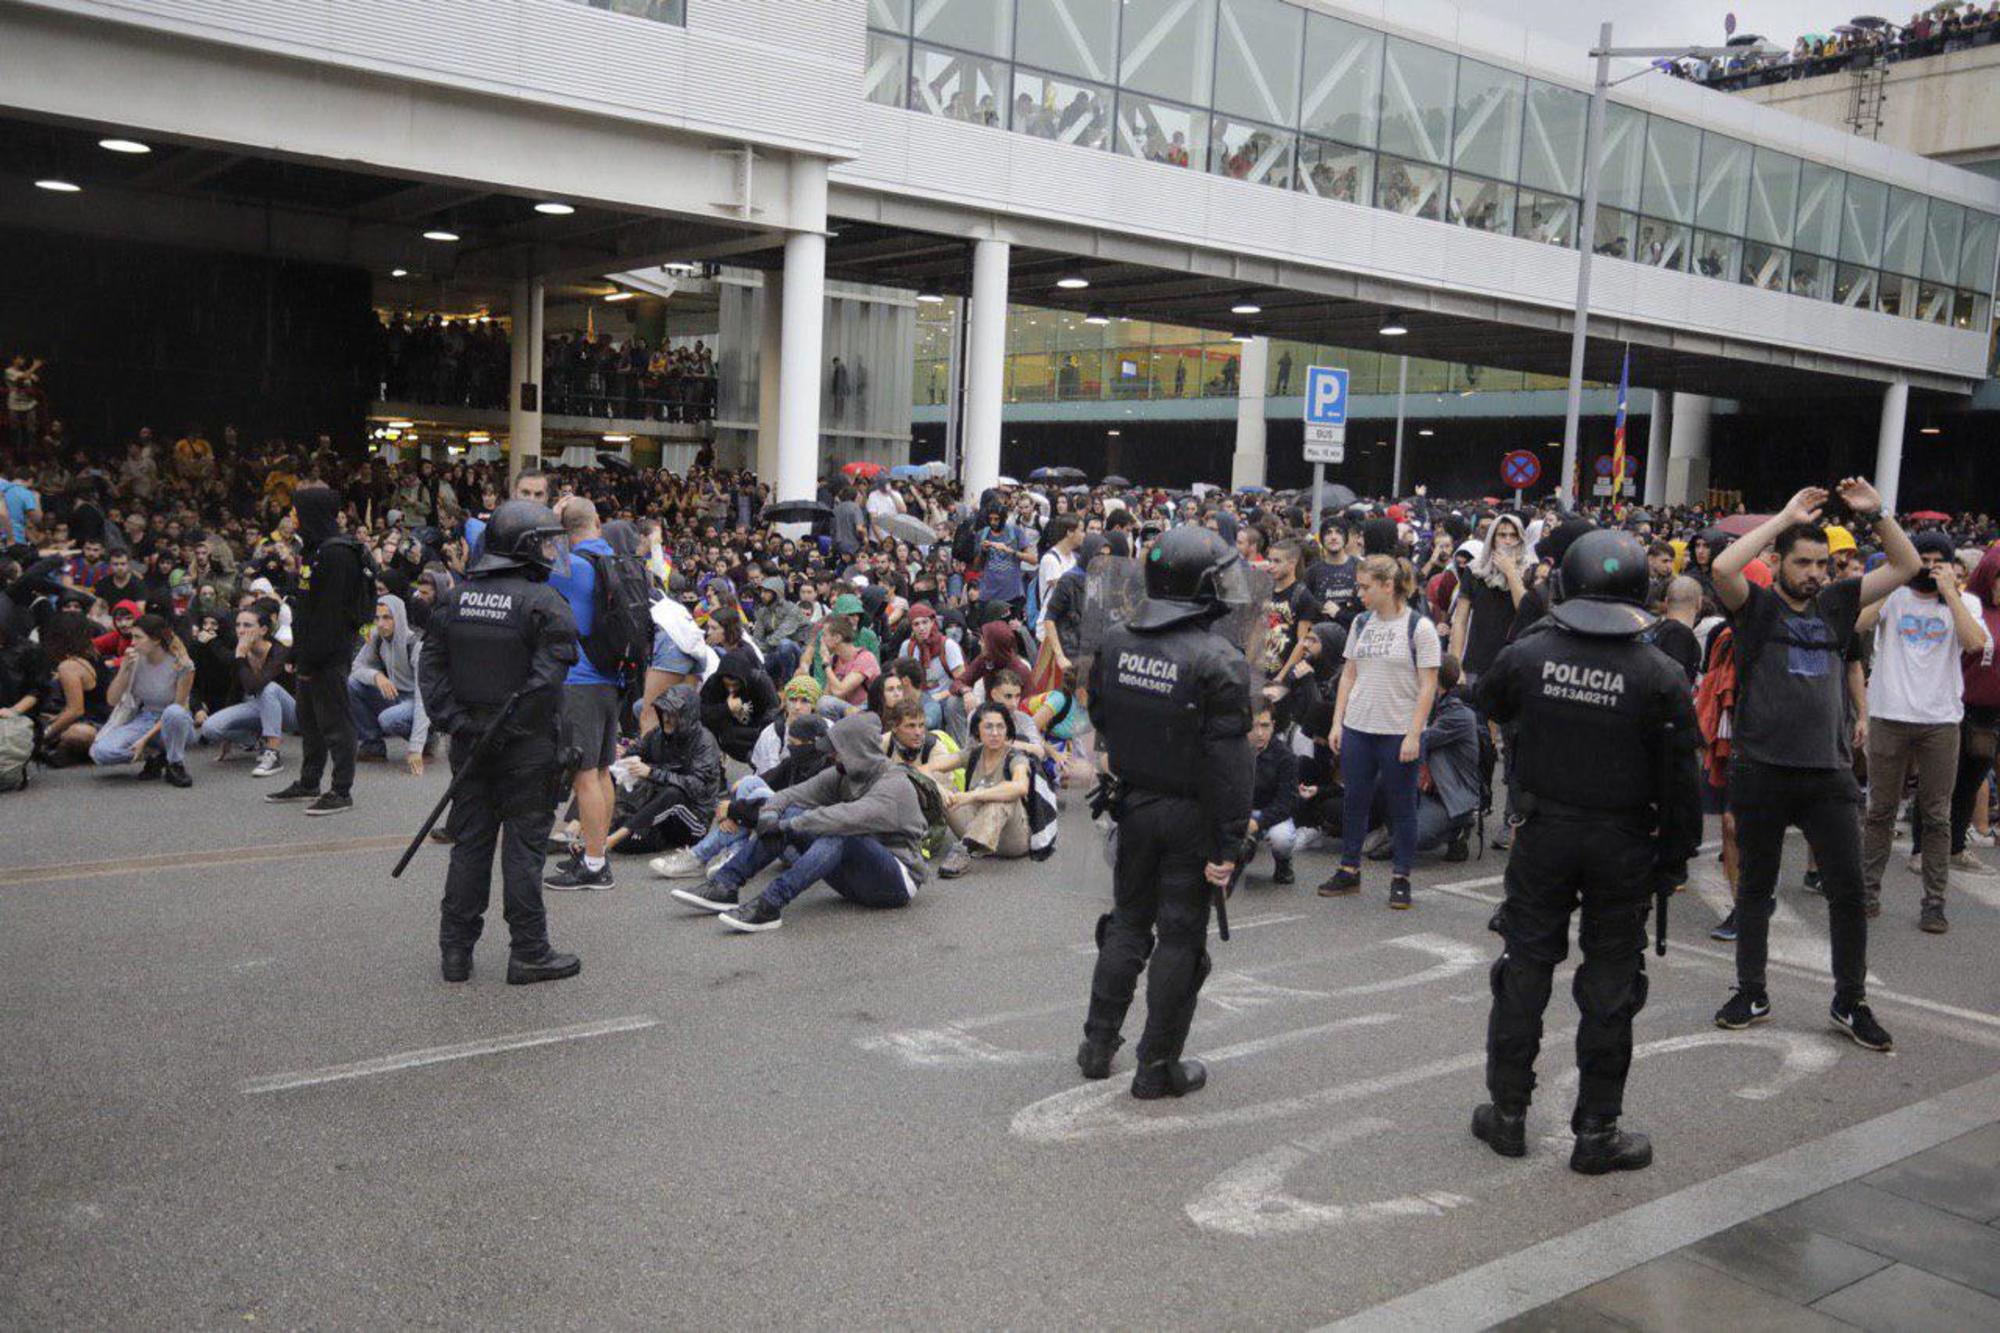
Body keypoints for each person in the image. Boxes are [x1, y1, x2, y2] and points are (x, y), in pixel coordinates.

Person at [1471, 530, 1702, 1175]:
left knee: (1524, 970)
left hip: (1545, 834)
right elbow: (1683, 778)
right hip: (1624, 843)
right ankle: (1596, 1132)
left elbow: (1488, 698)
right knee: (1610, 985)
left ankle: (1508, 1113)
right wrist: (1676, 859)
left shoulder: (1532, 652)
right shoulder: (1661, 672)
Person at [1710, 481, 1917, 1053]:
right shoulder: (1753, 607)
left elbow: (1907, 563)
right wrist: (1783, 515)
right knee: (1755, 889)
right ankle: (1751, 992)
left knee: (1847, 891)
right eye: (1803, 563)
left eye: (1822, 564)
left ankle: (1850, 1001)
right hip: (1763, 770)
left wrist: (1877, 514)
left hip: (1827, 774)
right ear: (1778, 563)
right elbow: (1725, 566)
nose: (1815, 573)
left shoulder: (1838, 602)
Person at [1077, 525, 1254, 1100]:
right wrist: (1230, 844)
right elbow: (1230, 766)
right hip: (1190, 815)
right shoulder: (1219, 659)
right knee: (1179, 938)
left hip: (1135, 802)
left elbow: (1101, 715)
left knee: (1127, 922)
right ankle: (1157, 1067)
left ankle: (1098, 1045)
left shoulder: (1116, 640)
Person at [417, 499, 583, 985]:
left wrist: (459, 724)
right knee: (522, 851)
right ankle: (529, 951)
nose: (553, 552)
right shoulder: (545, 602)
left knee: (469, 847)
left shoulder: (454, 597)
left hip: (471, 745)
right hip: (526, 747)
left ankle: (456, 952)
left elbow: (432, 670)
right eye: (546, 542)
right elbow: (545, 681)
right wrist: (504, 728)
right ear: (523, 546)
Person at [672, 711, 929, 933]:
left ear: (856, 750)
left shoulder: (894, 786)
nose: (833, 757)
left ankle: (769, 905)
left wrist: (785, 826)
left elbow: (843, 818)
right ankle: (725, 884)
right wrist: (773, 815)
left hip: (896, 882)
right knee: (791, 814)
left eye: (838, 751)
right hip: (857, 878)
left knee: (835, 832)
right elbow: (790, 795)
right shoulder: (843, 774)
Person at [1858, 530, 1990, 932]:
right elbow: (1860, 623)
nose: (1928, 568)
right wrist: (1896, 576)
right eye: (1922, 559)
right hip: (1889, 715)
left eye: (1937, 561)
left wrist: (1949, 593)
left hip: (1940, 720)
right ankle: (1867, 892)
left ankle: (1934, 901)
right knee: (1880, 810)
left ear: (1950, 565)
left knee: (1936, 814)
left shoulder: (1966, 602)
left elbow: (1975, 645)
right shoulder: (1895, 595)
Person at [1317, 554, 1441, 908]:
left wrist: (1414, 733)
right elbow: (1349, 675)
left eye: (1366, 587)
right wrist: (1337, 721)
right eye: (1359, 585)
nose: (1360, 593)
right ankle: (1348, 870)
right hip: (1358, 726)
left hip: (1397, 731)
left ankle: (1401, 877)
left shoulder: (1419, 627)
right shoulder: (1359, 623)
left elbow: (1428, 686)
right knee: (1355, 801)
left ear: (1388, 586)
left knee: (1402, 806)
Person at [264, 484, 368, 816]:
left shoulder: (337, 554)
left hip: (330, 654)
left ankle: (341, 790)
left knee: (336, 723)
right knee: (309, 721)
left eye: (296, 510)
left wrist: (310, 658)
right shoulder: (315, 549)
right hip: (309, 651)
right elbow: (306, 607)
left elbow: (330, 616)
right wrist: (297, 654)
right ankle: (309, 782)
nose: (291, 515)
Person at [543, 496, 624, 890]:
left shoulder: (571, 566)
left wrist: (553, 520)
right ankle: (597, 854)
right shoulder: (614, 556)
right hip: (611, 678)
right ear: (597, 522)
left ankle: (593, 866)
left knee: (584, 775)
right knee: (603, 770)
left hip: (580, 681)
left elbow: (541, 551)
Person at [595, 684, 723, 858]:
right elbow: (636, 752)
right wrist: (623, 757)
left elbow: (697, 787)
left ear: (686, 716)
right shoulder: (657, 734)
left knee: (673, 793)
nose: (667, 719)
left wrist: (651, 772)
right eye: (663, 713)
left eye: (673, 714)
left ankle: (611, 839)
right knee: (604, 770)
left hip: (693, 821)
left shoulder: (704, 742)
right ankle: (584, 830)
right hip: (658, 812)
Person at [90, 613, 198, 788]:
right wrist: (124, 669)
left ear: (155, 640)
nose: (133, 642)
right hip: (145, 718)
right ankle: (155, 755)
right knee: (101, 752)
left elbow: (180, 707)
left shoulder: (182, 664)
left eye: (138, 637)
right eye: (133, 636)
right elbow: (112, 700)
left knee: (174, 712)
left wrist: (143, 740)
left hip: (175, 724)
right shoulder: (134, 660)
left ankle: (175, 764)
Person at [197, 604, 296, 778]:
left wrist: (241, 657)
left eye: (247, 625)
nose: (241, 630)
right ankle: (255, 739)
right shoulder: (240, 651)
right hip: (257, 708)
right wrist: (227, 735)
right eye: (238, 625)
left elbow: (254, 686)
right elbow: (236, 689)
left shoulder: (279, 650)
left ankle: (273, 753)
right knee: (210, 728)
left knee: (268, 688)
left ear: (263, 629)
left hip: (292, 713)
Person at [936, 701, 1034, 858]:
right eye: (988, 727)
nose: (995, 733)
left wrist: (974, 795)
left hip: (1011, 840)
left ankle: (964, 851)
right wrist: (940, 788)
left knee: (1002, 797)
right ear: (977, 730)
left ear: (1007, 729)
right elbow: (927, 769)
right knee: (933, 782)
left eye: (1000, 727)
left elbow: (1020, 787)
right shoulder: (973, 754)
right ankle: (923, 840)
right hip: (973, 827)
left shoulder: (1016, 757)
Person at [347, 593, 427, 769]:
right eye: (377, 618)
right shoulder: (377, 636)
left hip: (417, 700)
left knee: (388, 719)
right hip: (395, 694)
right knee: (351, 685)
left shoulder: (415, 645)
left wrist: (416, 747)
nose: (381, 623)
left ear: (398, 617)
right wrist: (377, 676)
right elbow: (357, 667)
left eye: (387, 617)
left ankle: (427, 739)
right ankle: (373, 745)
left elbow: (424, 698)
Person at [1245, 703, 1301, 883]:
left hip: (1271, 812)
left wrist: (1259, 822)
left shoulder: (1285, 756)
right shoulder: (1232, 750)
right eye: (1254, 726)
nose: (1259, 733)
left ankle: (1283, 863)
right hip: (1239, 812)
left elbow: (1287, 802)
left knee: (1282, 838)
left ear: (1273, 725)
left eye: (1265, 726)